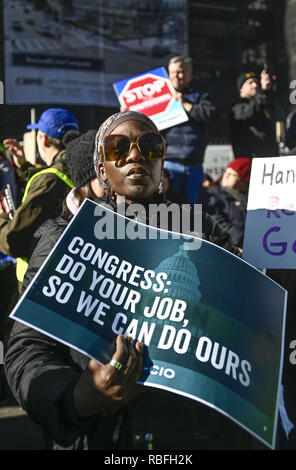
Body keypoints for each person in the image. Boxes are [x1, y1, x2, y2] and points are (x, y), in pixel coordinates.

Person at [5, 111, 256, 450]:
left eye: (149, 146)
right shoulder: (63, 241)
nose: (135, 155)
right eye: (118, 147)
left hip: (193, 436)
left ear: (162, 162)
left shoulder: (204, 233)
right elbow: (27, 350)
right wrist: (81, 395)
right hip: (103, 436)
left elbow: (248, 328)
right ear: (100, 169)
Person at [0, 108, 79, 284]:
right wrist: (23, 164)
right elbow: (55, 178)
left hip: (35, 284)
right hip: (65, 279)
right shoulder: (80, 169)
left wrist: (1, 216)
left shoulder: (48, 181)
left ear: (42, 139)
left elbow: (12, 241)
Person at [163, 56, 216, 205]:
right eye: (172, 72)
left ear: (190, 74)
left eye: (180, 72)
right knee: (169, 208)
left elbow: (210, 115)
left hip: (194, 164)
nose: (176, 76)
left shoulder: (200, 96)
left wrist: (185, 104)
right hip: (169, 163)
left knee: (194, 210)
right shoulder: (159, 97)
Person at [199, 157, 252, 248]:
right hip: (226, 248)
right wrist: (239, 240)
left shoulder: (248, 200)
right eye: (226, 172)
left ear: (243, 180)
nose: (226, 175)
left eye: (232, 174)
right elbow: (214, 219)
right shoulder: (213, 194)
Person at [229, 70, 279, 158]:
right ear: (241, 88)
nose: (255, 85)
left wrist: (266, 91)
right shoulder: (237, 107)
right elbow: (250, 113)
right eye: (250, 83)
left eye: (256, 82)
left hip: (269, 157)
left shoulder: (262, 103)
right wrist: (263, 91)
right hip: (249, 160)